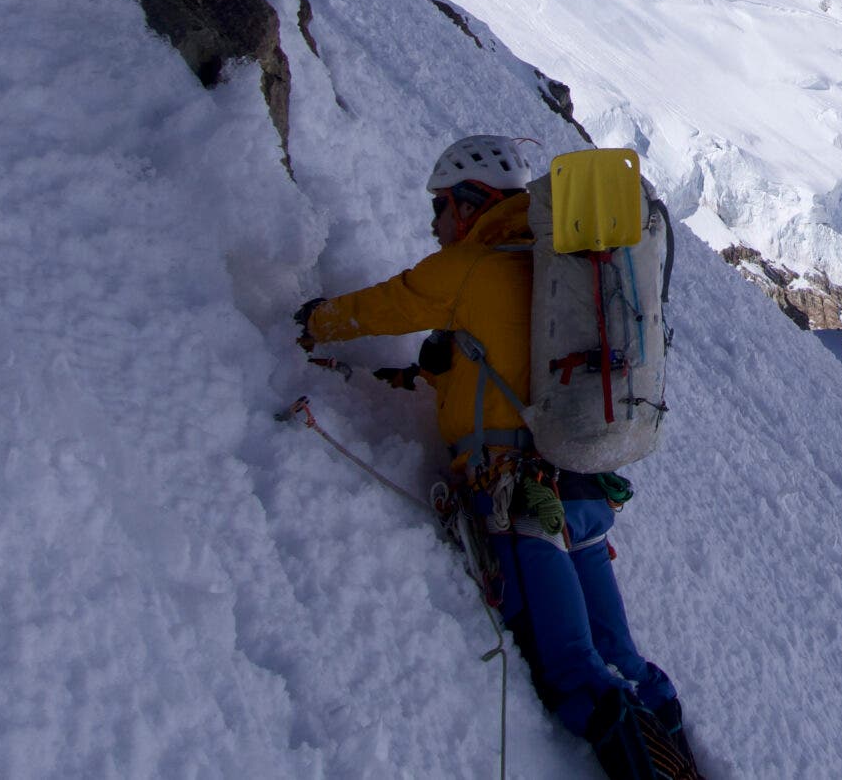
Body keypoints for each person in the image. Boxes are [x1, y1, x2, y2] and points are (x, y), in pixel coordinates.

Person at [297, 134, 693, 779]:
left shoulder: (470, 268)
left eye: (441, 208)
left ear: (471, 200)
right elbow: (499, 364)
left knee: (571, 668)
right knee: (619, 652)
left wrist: (312, 321)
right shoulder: (551, 260)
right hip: (583, 485)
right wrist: (416, 380)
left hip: (521, 500)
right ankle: (680, 747)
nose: (435, 225)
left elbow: (383, 305)